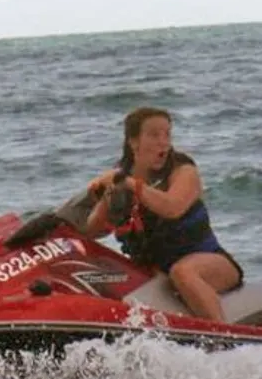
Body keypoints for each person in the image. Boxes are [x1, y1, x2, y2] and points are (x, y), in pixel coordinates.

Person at [85, 107, 243, 322]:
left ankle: (222, 338)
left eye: (167, 134)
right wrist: (106, 195)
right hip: (157, 275)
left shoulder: (183, 170)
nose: (164, 142)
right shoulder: (121, 179)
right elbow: (92, 230)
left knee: (182, 272)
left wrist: (129, 183)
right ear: (134, 142)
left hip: (211, 263)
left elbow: (172, 207)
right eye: (154, 135)